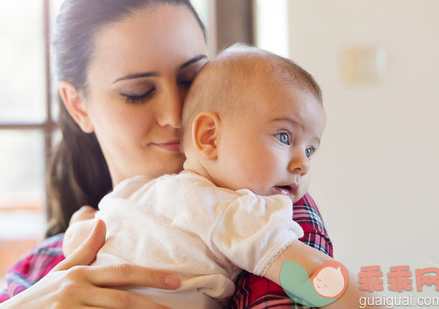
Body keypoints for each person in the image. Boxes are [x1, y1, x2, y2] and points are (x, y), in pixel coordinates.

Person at [0, 0, 332, 308]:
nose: (175, 115)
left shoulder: (264, 210)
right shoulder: (34, 270)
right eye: (138, 92)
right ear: (78, 106)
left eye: (191, 79)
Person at [61, 45, 368, 308]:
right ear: (209, 136)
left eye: (311, 150)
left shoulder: (136, 191)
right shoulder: (236, 213)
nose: (303, 164)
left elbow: (83, 244)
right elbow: (314, 274)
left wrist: (79, 222)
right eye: (284, 137)